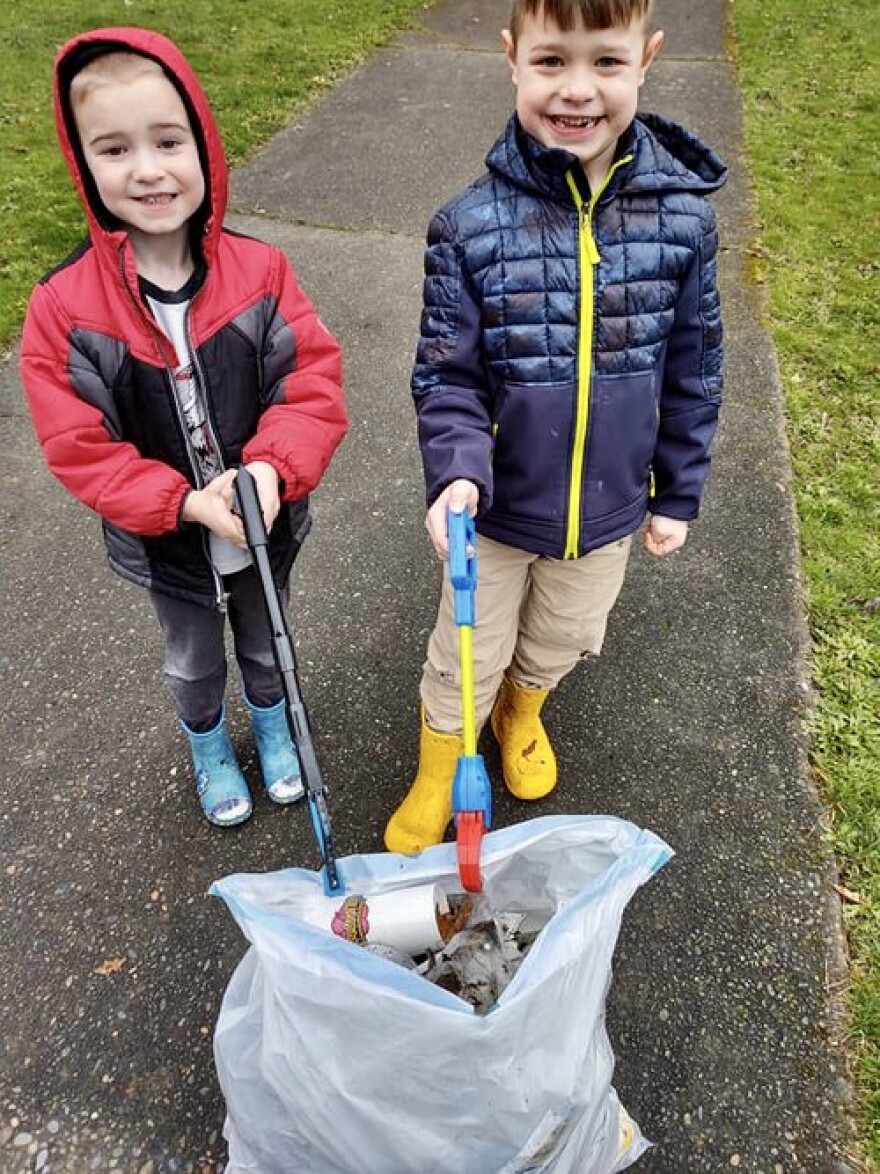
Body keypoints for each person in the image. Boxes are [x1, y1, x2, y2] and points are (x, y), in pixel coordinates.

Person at [385, 0, 726, 853]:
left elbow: (695, 372)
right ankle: (443, 761)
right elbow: (446, 373)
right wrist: (456, 468)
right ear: (511, 58)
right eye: (551, 62)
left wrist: (675, 494)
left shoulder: (683, 222)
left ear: (646, 59)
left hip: (609, 511)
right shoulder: (468, 226)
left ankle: (523, 710)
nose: (578, 90)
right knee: (467, 651)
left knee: (561, 638)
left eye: (605, 63)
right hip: (495, 511)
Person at [20, 28, 348, 828]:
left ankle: (274, 731)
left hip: (264, 520)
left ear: (202, 144)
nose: (147, 169)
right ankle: (207, 744)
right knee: (194, 659)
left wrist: (272, 468)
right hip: (169, 537)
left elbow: (309, 382)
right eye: (115, 149)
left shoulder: (261, 272)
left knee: (268, 640)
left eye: (168, 141)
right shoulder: (63, 307)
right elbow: (79, 446)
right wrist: (182, 503)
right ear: (85, 167)